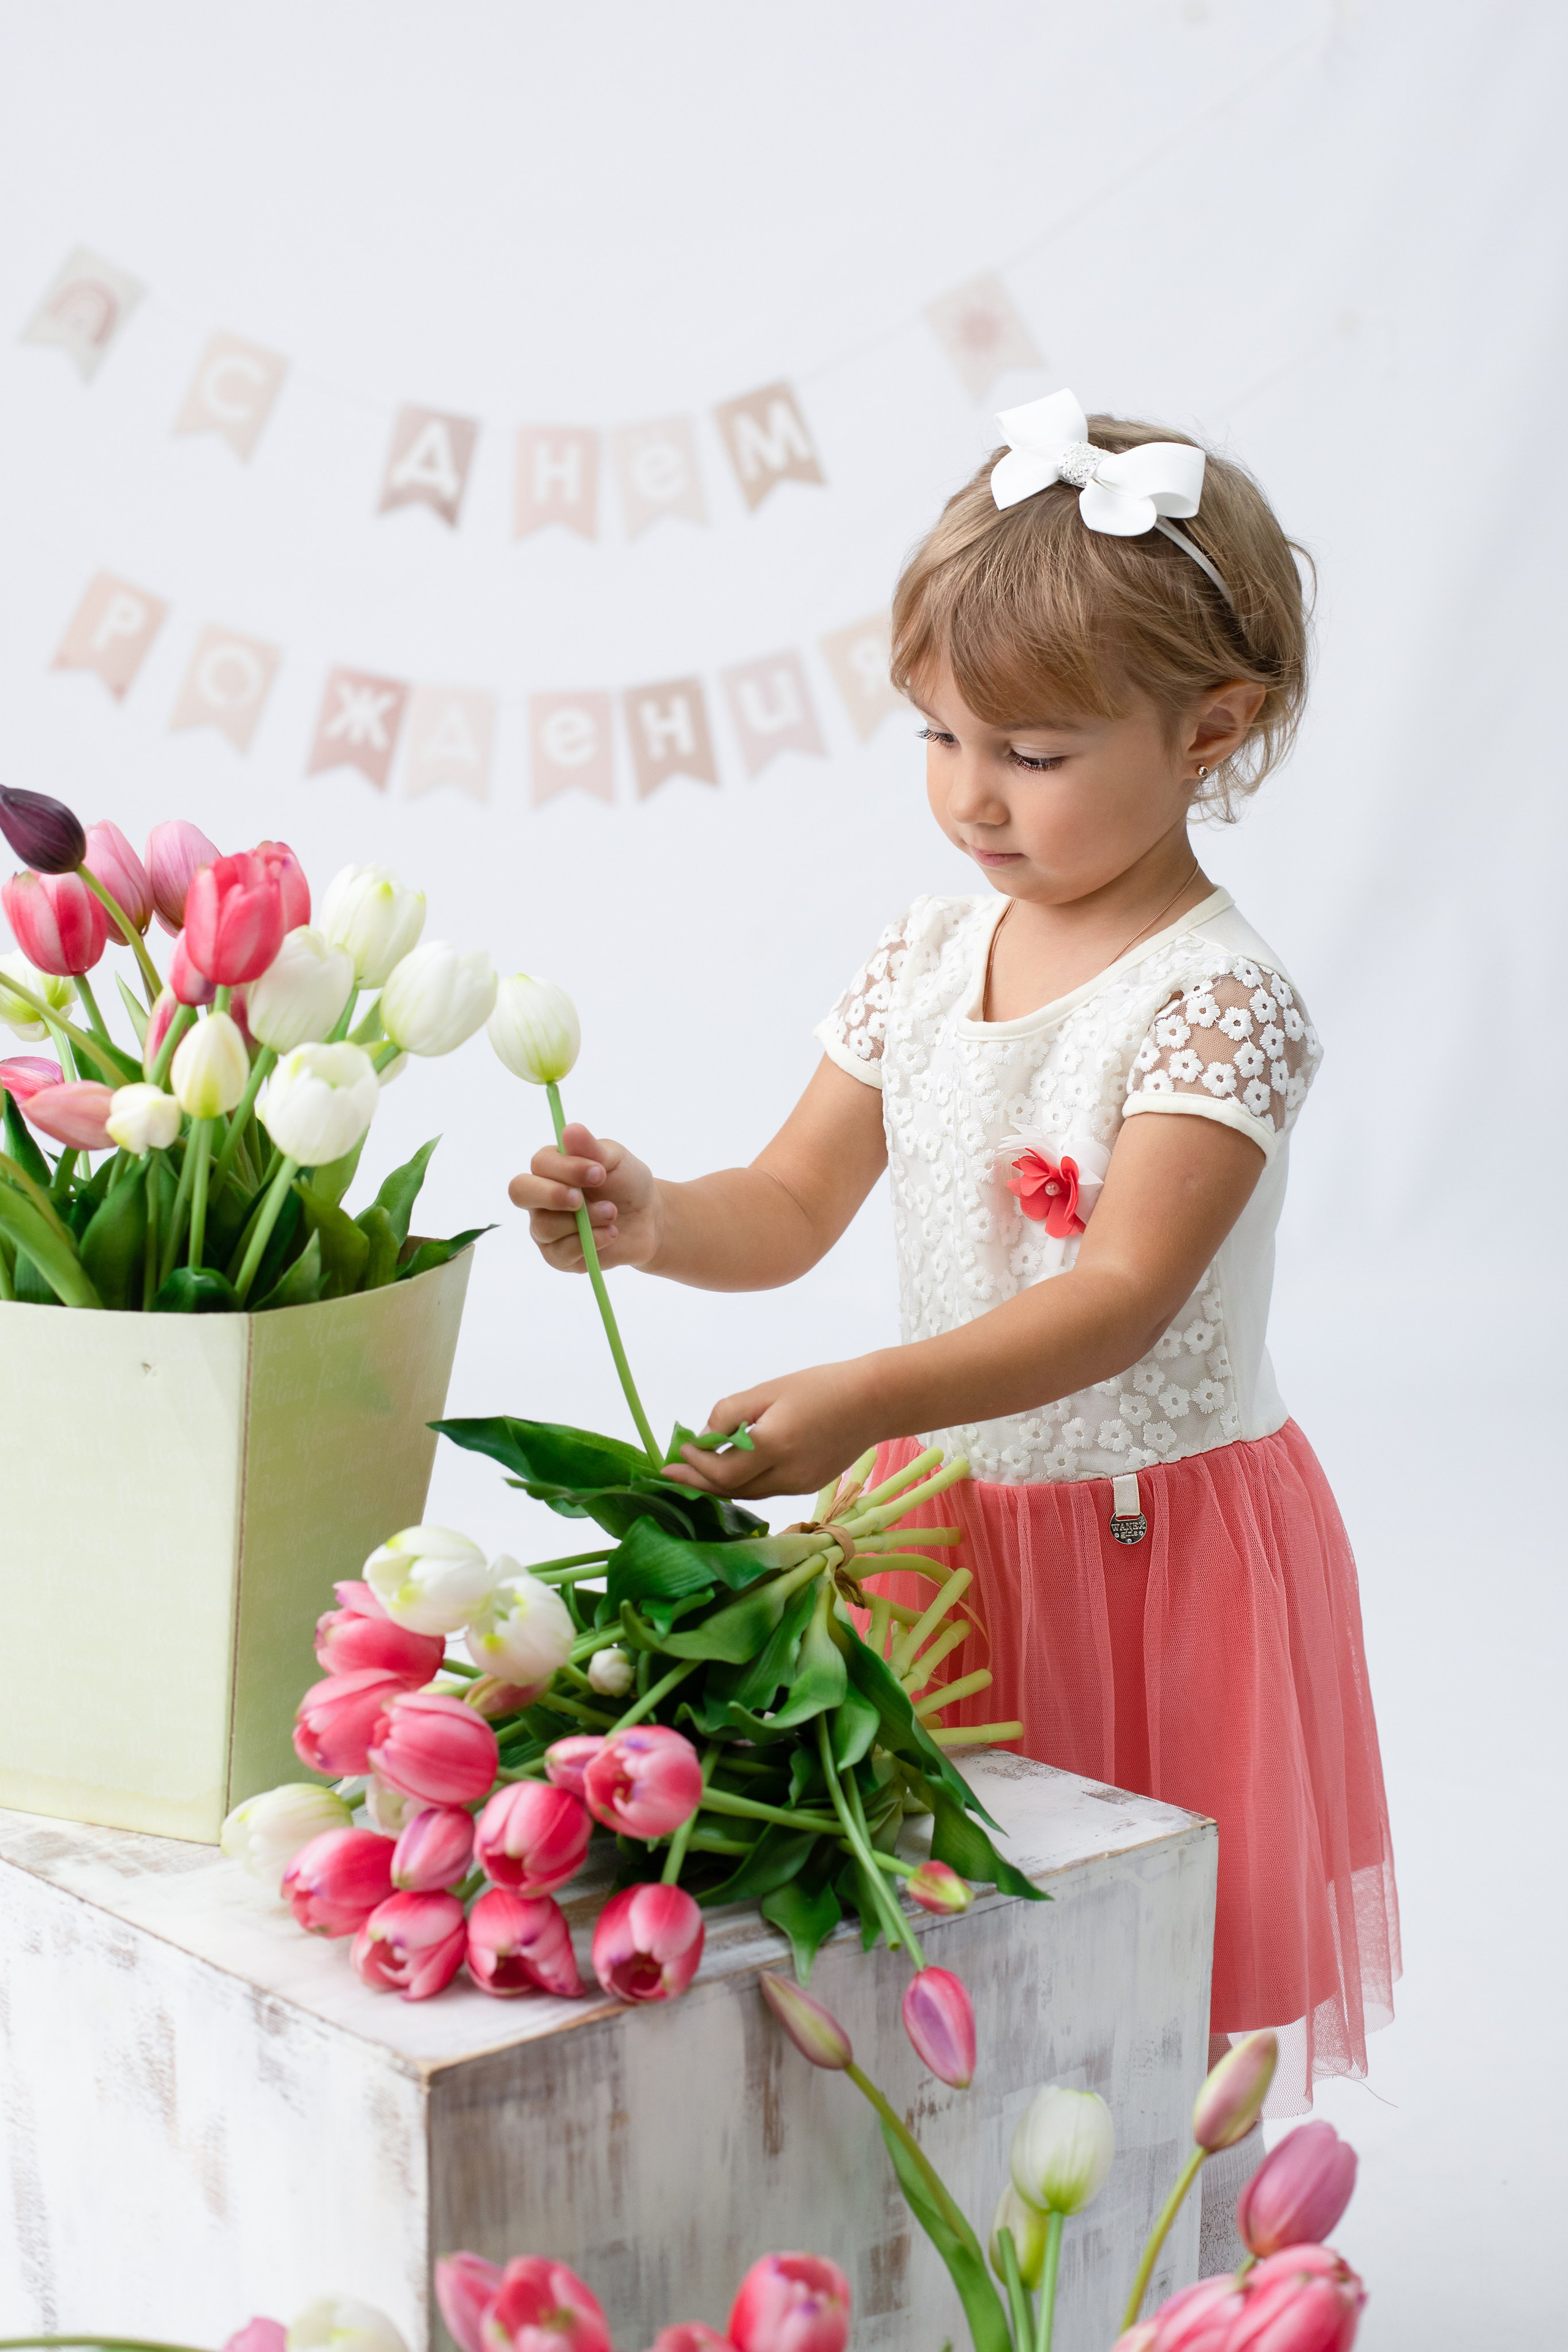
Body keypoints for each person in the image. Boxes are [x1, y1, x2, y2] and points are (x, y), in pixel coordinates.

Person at [510, 393, 1399, 2223]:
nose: (971, 792)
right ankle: (936, 2254)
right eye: (938, 734)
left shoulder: (1217, 1002)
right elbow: (791, 1202)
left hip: (1155, 1558)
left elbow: (1123, 1298)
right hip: (932, 1532)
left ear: (1211, 727)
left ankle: (1138, 2277)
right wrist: (655, 1216)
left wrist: (860, 1394)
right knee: (928, 1934)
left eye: (1035, 750)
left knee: (1139, 1966)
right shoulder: (923, 959)